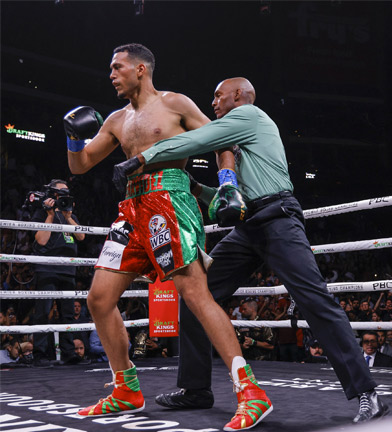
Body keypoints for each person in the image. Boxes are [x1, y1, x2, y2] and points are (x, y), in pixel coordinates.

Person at [114, 77, 388, 423]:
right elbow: (230, 200)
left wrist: (142, 158)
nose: (213, 101)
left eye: (218, 95)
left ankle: (368, 393)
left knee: (315, 300)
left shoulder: (249, 116)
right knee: (198, 294)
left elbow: (197, 139)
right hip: (249, 227)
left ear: (240, 95)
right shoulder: (239, 142)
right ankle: (196, 389)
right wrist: (196, 186)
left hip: (278, 218)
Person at [66, 44, 271, 430]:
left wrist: (228, 184)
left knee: (194, 293)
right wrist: (73, 138)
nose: (111, 74)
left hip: (170, 197)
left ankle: (250, 392)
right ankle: (125, 389)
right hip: (131, 208)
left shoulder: (175, 103)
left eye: (117, 67)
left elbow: (221, 139)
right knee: (98, 299)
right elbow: (81, 166)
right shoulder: (114, 120)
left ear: (140, 69)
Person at [31, 179, 85, 366]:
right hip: (47, 267)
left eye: (67, 192)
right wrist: (49, 215)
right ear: (53, 194)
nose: (65, 195)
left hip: (67, 270)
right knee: (43, 312)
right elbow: (42, 241)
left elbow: (81, 236)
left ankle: (69, 353)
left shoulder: (71, 214)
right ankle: (40, 354)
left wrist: (68, 216)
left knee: (67, 314)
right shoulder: (41, 212)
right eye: (61, 192)